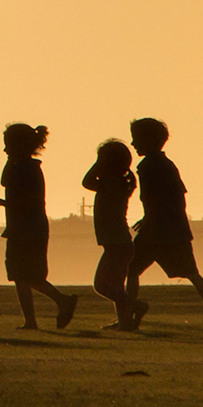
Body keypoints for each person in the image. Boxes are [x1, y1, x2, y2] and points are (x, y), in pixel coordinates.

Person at [126, 118, 203, 331]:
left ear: (148, 140)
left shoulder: (147, 166)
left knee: (131, 268)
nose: (133, 143)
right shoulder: (167, 164)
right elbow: (178, 198)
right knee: (191, 272)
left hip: (158, 231)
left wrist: (150, 222)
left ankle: (128, 316)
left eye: (136, 139)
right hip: (175, 229)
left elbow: (151, 199)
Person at [0, 123, 77, 330]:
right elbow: (4, 181)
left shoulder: (28, 170)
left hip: (27, 231)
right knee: (27, 277)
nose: (5, 150)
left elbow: (29, 201)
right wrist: (10, 160)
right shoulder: (22, 168)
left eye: (8, 146)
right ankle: (60, 302)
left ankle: (33, 320)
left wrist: (6, 203)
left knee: (23, 277)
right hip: (25, 230)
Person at [82, 139, 148, 331]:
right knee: (117, 287)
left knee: (101, 285)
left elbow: (86, 181)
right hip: (120, 242)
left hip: (116, 243)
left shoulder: (110, 184)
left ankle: (138, 306)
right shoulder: (118, 182)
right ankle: (126, 323)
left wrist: (98, 163)